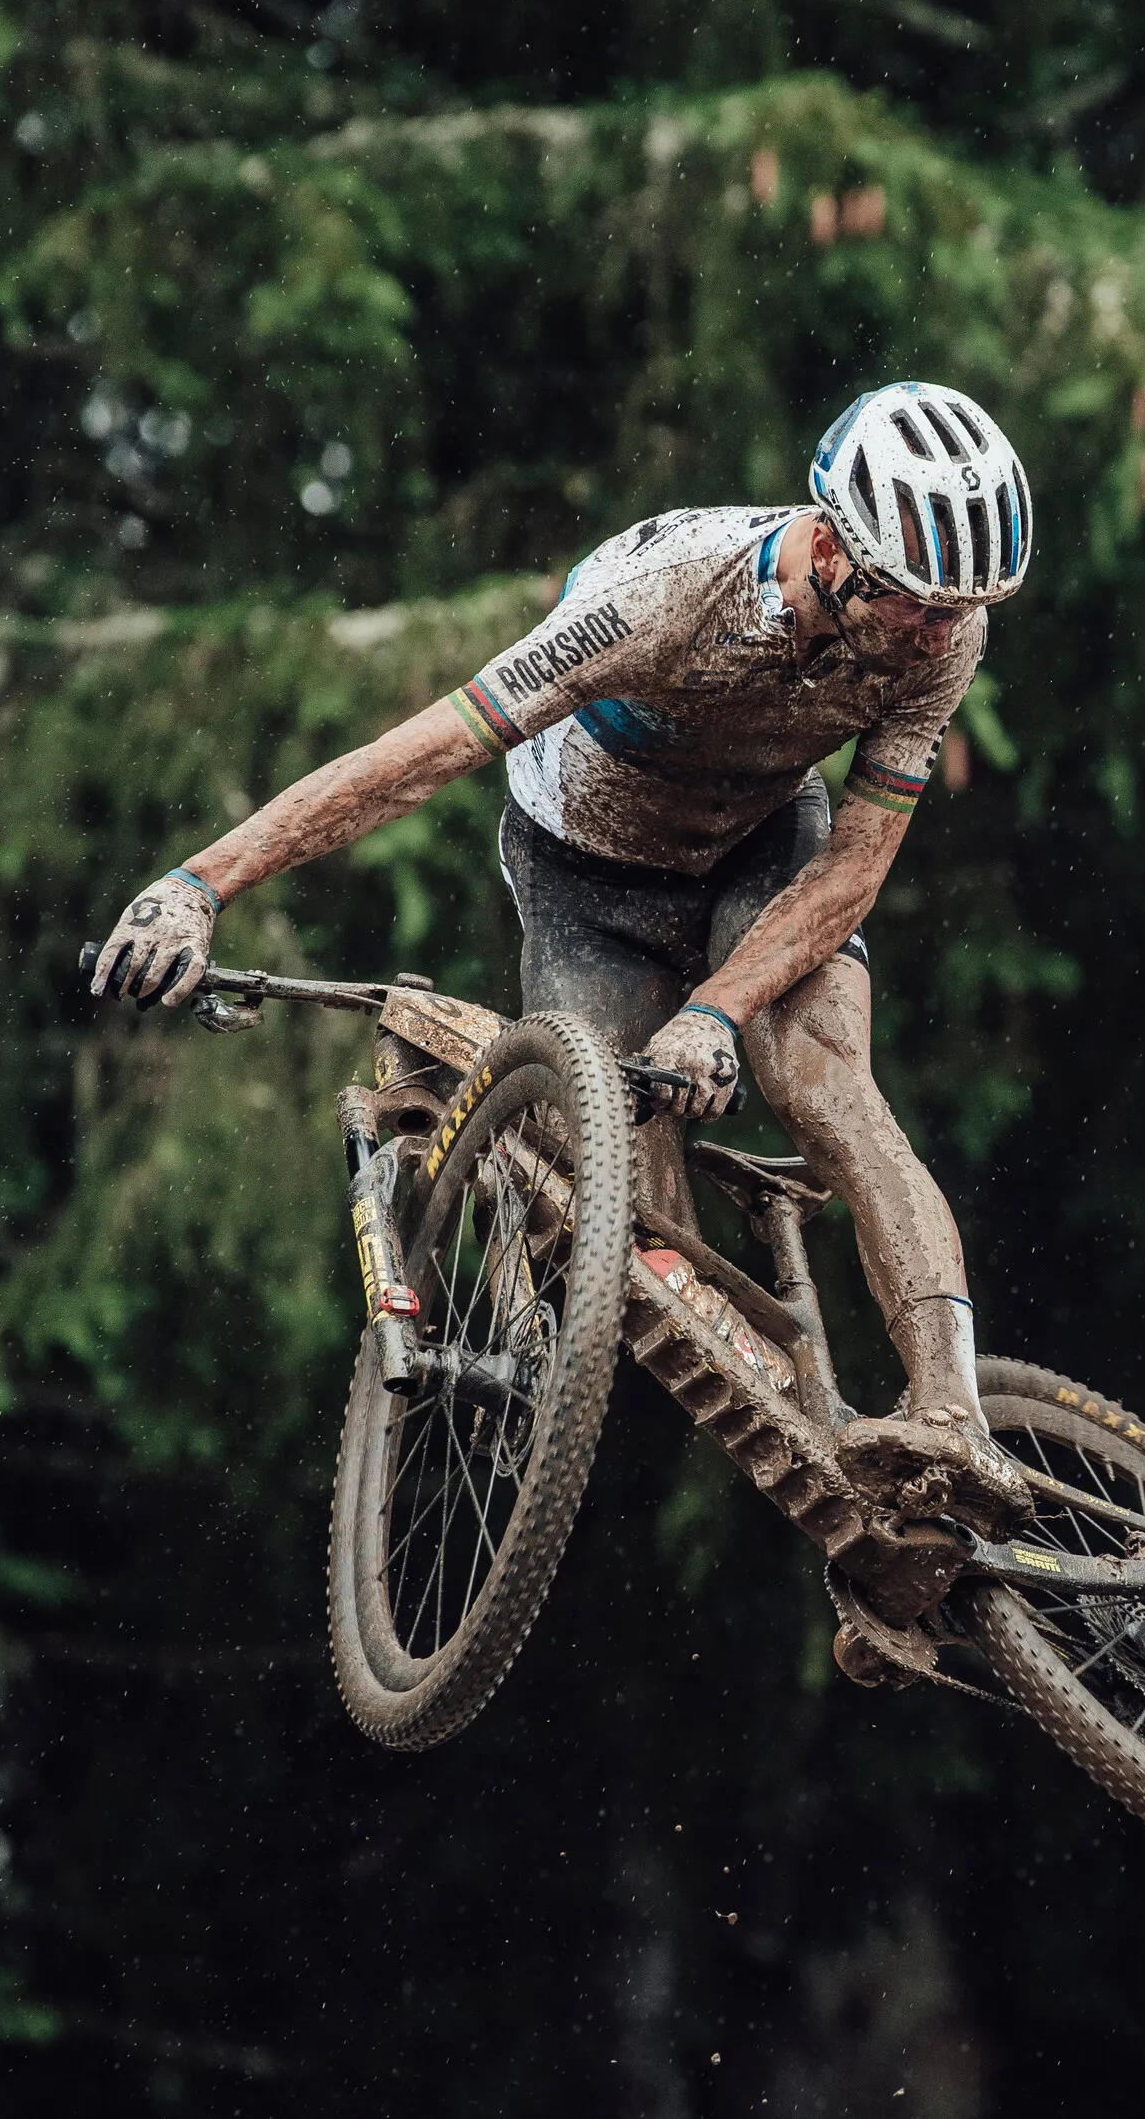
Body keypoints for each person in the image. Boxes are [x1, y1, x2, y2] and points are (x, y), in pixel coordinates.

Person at [88, 381, 1037, 1531]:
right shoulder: (663, 596)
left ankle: (954, 1424)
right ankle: (827, 1468)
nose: (940, 637)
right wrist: (199, 885)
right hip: (586, 879)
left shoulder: (945, 633)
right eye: (916, 609)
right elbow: (418, 756)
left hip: (763, 852)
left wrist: (721, 1012)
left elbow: (849, 873)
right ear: (832, 547)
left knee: (819, 1079)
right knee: (639, 1233)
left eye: (961, 612)